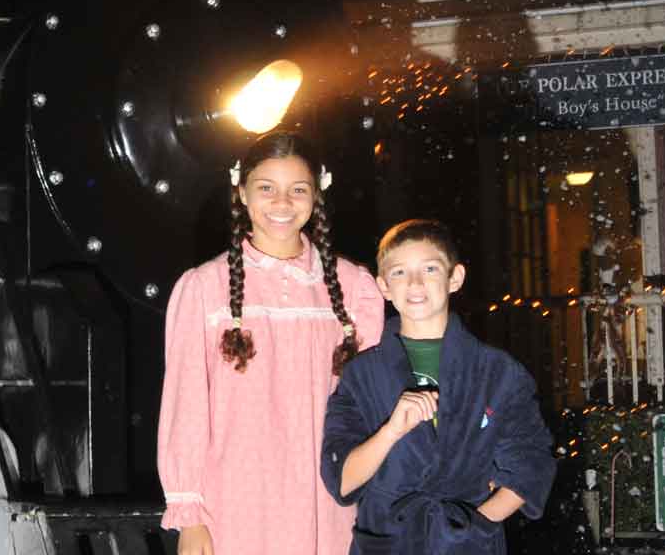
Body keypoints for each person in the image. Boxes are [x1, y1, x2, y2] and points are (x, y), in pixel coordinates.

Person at [157, 131, 386, 555]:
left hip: (326, 505)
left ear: (317, 194)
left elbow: (370, 405)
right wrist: (189, 515)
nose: (282, 203)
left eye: (298, 189)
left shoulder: (355, 288)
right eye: (266, 188)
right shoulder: (205, 287)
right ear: (242, 192)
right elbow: (185, 406)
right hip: (235, 506)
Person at [321, 219, 555, 554]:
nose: (415, 283)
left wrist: (475, 525)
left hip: (469, 545)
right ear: (383, 286)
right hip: (386, 543)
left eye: (430, 269)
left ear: (454, 278)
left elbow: (530, 462)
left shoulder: (497, 371)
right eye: (399, 272)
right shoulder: (361, 374)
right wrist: (390, 432)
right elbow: (342, 481)